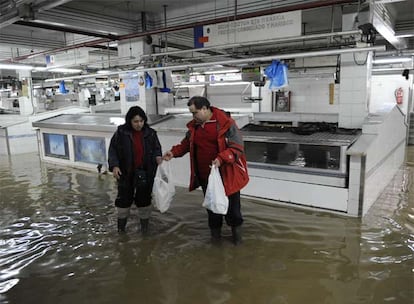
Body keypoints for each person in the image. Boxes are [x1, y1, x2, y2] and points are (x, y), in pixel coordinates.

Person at [163, 96, 249, 245]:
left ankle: (237, 241)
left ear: (205, 109)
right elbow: (186, 144)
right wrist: (174, 152)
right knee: (212, 209)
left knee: (233, 211)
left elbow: (237, 148)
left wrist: (221, 159)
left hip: (227, 176)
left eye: (194, 112)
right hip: (206, 178)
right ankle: (216, 242)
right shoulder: (194, 127)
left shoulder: (226, 123)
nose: (193, 116)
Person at [108, 106, 162, 233]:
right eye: (136, 121)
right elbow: (113, 151)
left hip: (145, 172)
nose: (139, 124)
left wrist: (158, 156)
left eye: (141, 121)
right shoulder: (121, 133)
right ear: (129, 121)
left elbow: (156, 148)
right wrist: (115, 166)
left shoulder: (151, 133)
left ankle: (144, 229)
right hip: (125, 172)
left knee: (144, 200)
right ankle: (121, 230)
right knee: (123, 200)